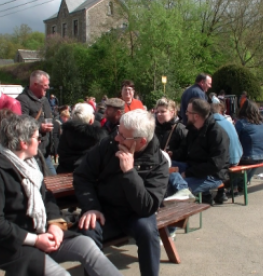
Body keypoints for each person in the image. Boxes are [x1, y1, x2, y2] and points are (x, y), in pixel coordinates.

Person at [0, 114, 122, 276]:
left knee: (86, 244)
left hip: (41, 233)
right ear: (24, 143)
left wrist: (56, 225)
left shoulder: (29, 165)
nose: (40, 142)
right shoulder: (3, 170)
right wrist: (35, 240)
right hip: (13, 245)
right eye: (38, 138)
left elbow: (47, 198)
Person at [73, 109, 169, 276]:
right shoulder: (108, 145)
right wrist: (91, 207)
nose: (117, 137)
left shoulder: (158, 163)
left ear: (141, 141)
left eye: (124, 136)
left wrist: (129, 173)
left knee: (147, 230)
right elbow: (82, 176)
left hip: (136, 215)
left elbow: (147, 207)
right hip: (105, 210)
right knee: (88, 229)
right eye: (118, 131)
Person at [182, 98, 230, 204]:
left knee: (178, 189)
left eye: (188, 112)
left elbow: (215, 165)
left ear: (196, 116)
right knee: (168, 168)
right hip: (195, 167)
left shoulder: (217, 133)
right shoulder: (193, 129)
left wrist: (187, 173)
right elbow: (186, 152)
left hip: (213, 175)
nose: (186, 114)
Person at [16, 70, 56, 175]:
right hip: (31, 154)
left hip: (45, 153)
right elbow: (21, 124)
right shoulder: (22, 100)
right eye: (45, 85)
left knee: (53, 182)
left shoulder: (44, 100)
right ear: (35, 85)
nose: (47, 88)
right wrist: (40, 127)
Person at [56, 103, 103, 173]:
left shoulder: (66, 132)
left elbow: (60, 151)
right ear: (91, 121)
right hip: (89, 176)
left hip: (66, 172)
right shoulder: (98, 136)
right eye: (93, 114)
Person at [234, 100, 263, 184]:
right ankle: (245, 181)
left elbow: (234, 139)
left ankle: (235, 184)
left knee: (232, 160)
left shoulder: (241, 123)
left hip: (249, 157)